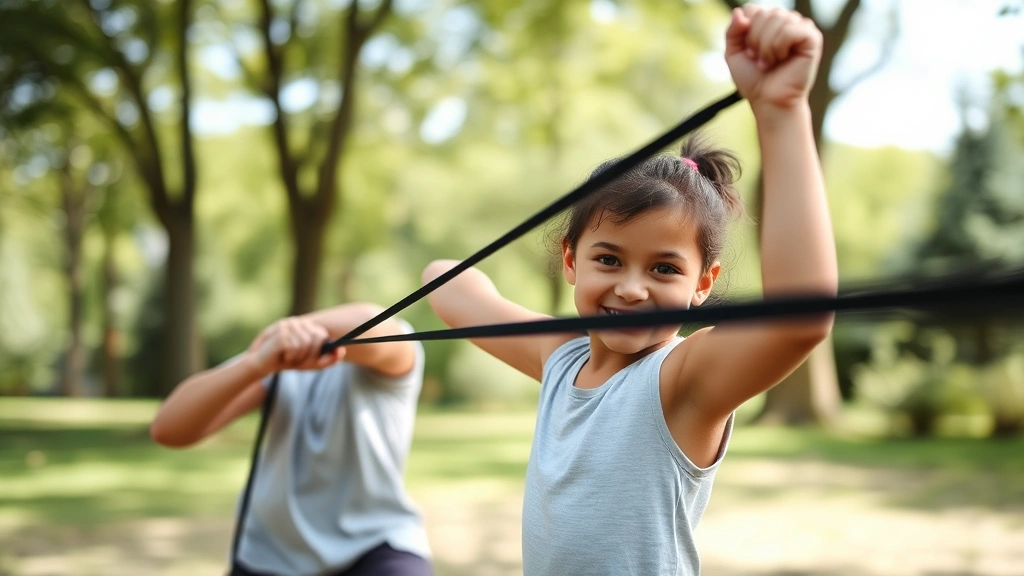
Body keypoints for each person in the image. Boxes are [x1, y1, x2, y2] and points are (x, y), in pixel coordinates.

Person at [420, 5, 837, 575]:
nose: (632, 288)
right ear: (570, 261)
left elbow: (801, 319)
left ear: (703, 285)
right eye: (608, 259)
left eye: (665, 269)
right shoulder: (560, 358)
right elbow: (446, 286)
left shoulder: (681, 382)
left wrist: (782, 111)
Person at [150, 304, 432, 576]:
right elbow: (168, 429)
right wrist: (254, 364)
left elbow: (371, 324)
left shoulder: (397, 351)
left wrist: (289, 330)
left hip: (378, 545)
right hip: (272, 555)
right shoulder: (276, 360)